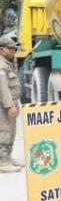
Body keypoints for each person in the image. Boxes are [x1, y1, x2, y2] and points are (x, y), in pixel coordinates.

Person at [0, 35, 24, 173]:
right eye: (11, 48)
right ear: (2, 50)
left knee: (12, 132)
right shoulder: (1, 66)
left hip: (11, 103)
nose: (14, 51)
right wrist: (10, 106)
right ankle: (3, 161)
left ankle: (8, 157)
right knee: (4, 132)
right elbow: (3, 88)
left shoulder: (9, 62)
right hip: (4, 105)